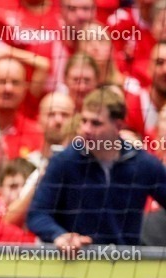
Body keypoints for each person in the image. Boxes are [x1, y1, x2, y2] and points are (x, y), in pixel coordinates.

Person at [27, 86, 166, 253]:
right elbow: (37, 214)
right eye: (83, 121)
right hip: (74, 262)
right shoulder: (64, 161)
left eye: (96, 123)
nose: (86, 129)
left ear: (118, 125)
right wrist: (59, 235)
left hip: (125, 264)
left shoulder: (143, 165)